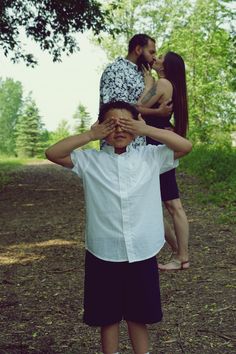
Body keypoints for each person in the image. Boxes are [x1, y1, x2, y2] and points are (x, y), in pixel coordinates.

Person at [45, 100, 192, 354]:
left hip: (142, 251)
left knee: (138, 315)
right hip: (103, 251)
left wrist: (145, 129)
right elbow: (53, 153)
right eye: (112, 124)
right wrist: (91, 135)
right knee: (108, 317)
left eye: (126, 124)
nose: (119, 130)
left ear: (136, 126)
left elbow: (185, 146)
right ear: (102, 127)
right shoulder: (90, 161)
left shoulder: (151, 157)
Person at [136, 51, 190, 271]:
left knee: (172, 204)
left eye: (160, 59)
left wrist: (149, 82)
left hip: (155, 143)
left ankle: (182, 256)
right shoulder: (171, 84)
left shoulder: (163, 83)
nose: (155, 60)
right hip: (157, 141)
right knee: (164, 204)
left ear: (166, 67)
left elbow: (135, 107)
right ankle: (180, 253)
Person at [99, 33, 172, 149]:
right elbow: (117, 112)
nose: (154, 57)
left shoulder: (143, 75)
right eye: (151, 52)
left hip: (140, 146)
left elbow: (143, 105)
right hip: (118, 147)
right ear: (138, 49)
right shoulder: (116, 71)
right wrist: (157, 112)